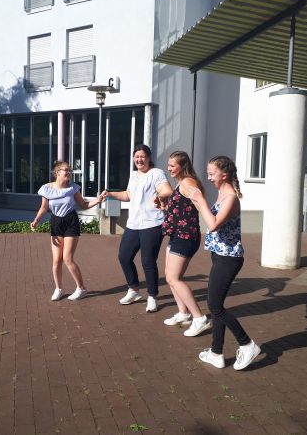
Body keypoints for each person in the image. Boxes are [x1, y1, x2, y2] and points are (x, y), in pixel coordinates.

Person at [186, 155, 261, 370]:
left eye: (212, 174)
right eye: (208, 174)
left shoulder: (231, 198)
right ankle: (216, 353)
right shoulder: (221, 194)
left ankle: (247, 344)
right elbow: (208, 216)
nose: (209, 178)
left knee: (215, 307)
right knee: (216, 305)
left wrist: (201, 200)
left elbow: (213, 225)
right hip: (220, 256)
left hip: (229, 258)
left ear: (224, 174)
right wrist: (195, 201)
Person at [100, 144, 172, 313]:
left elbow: (167, 190)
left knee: (148, 261)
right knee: (124, 257)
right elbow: (128, 195)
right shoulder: (134, 175)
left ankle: (152, 296)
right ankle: (133, 290)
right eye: (137, 157)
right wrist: (110, 194)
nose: (139, 159)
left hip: (152, 223)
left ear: (149, 158)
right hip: (133, 223)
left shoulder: (156, 173)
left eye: (142, 156)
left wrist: (159, 196)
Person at [31, 161, 103, 301]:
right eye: (66, 170)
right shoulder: (46, 188)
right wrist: (36, 220)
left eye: (70, 170)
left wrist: (98, 200)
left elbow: (83, 205)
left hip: (71, 221)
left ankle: (81, 288)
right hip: (56, 222)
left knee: (67, 259)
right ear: (57, 172)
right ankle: (58, 289)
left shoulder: (73, 188)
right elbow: (44, 208)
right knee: (56, 260)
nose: (69, 173)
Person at [157, 151, 212, 336]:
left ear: (182, 166)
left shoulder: (188, 183)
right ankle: (183, 313)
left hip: (186, 236)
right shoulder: (181, 182)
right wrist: (164, 206)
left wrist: (213, 224)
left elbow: (200, 203)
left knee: (174, 278)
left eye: (173, 165)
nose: (169, 168)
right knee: (169, 276)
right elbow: (181, 209)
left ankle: (199, 318)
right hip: (177, 235)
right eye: (168, 165)